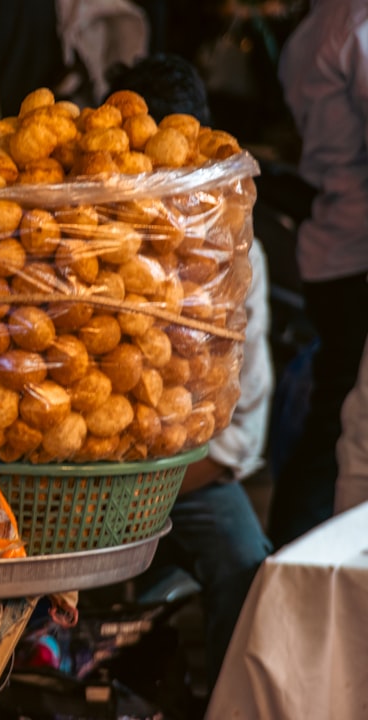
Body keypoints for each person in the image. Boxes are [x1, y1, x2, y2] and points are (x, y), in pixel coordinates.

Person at [103, 53, 274, 693]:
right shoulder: (80, 241)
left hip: (189, 477)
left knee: (246, 561)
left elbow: (235, 439)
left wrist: (146, 489)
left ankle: (228, 703)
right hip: (80, 480)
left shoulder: (232, 253)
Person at [268, 0, 368, 547]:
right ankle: (298, 558)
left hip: (330, 248)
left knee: (336, 413)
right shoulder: (355, 28)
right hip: (354, 255)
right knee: (341, 420)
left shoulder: (313, 29)